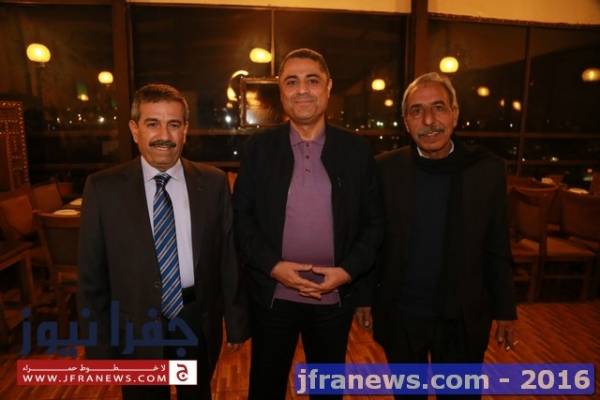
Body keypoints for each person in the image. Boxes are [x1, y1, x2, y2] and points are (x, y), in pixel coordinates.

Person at [78, 83, 248, 400]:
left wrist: (236, 323)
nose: (164, 136)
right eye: (153, 123)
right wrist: (98, 346)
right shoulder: (103, 188)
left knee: (196, 394)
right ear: (135, 130)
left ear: (185, 130)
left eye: (174, 124)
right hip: (135, 325)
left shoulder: (213, 182)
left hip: (196, 319)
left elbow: (228, 258)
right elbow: (91, 275)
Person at [233, 48, 383, 400]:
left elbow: (374, 225)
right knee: (265, 389)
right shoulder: (259, 149)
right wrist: (274, 267)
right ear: (281, 92)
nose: (302, 90)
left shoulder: (357, 150)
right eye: (292, 81)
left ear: (328, 87)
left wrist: (346, 273)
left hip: (333, 297)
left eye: (312, 80)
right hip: (272, 296)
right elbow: (241, 219)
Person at [356, 72, 517, 399]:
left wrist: (505, 308)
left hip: (462, 318)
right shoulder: (384, 169)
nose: (429, 120)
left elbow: (497, 243)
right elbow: (372, 239)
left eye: (438, 108)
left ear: (455, 114)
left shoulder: (486, 170)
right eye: (417, 111)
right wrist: (363, 298)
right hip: (402, 315)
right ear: (406, 122)